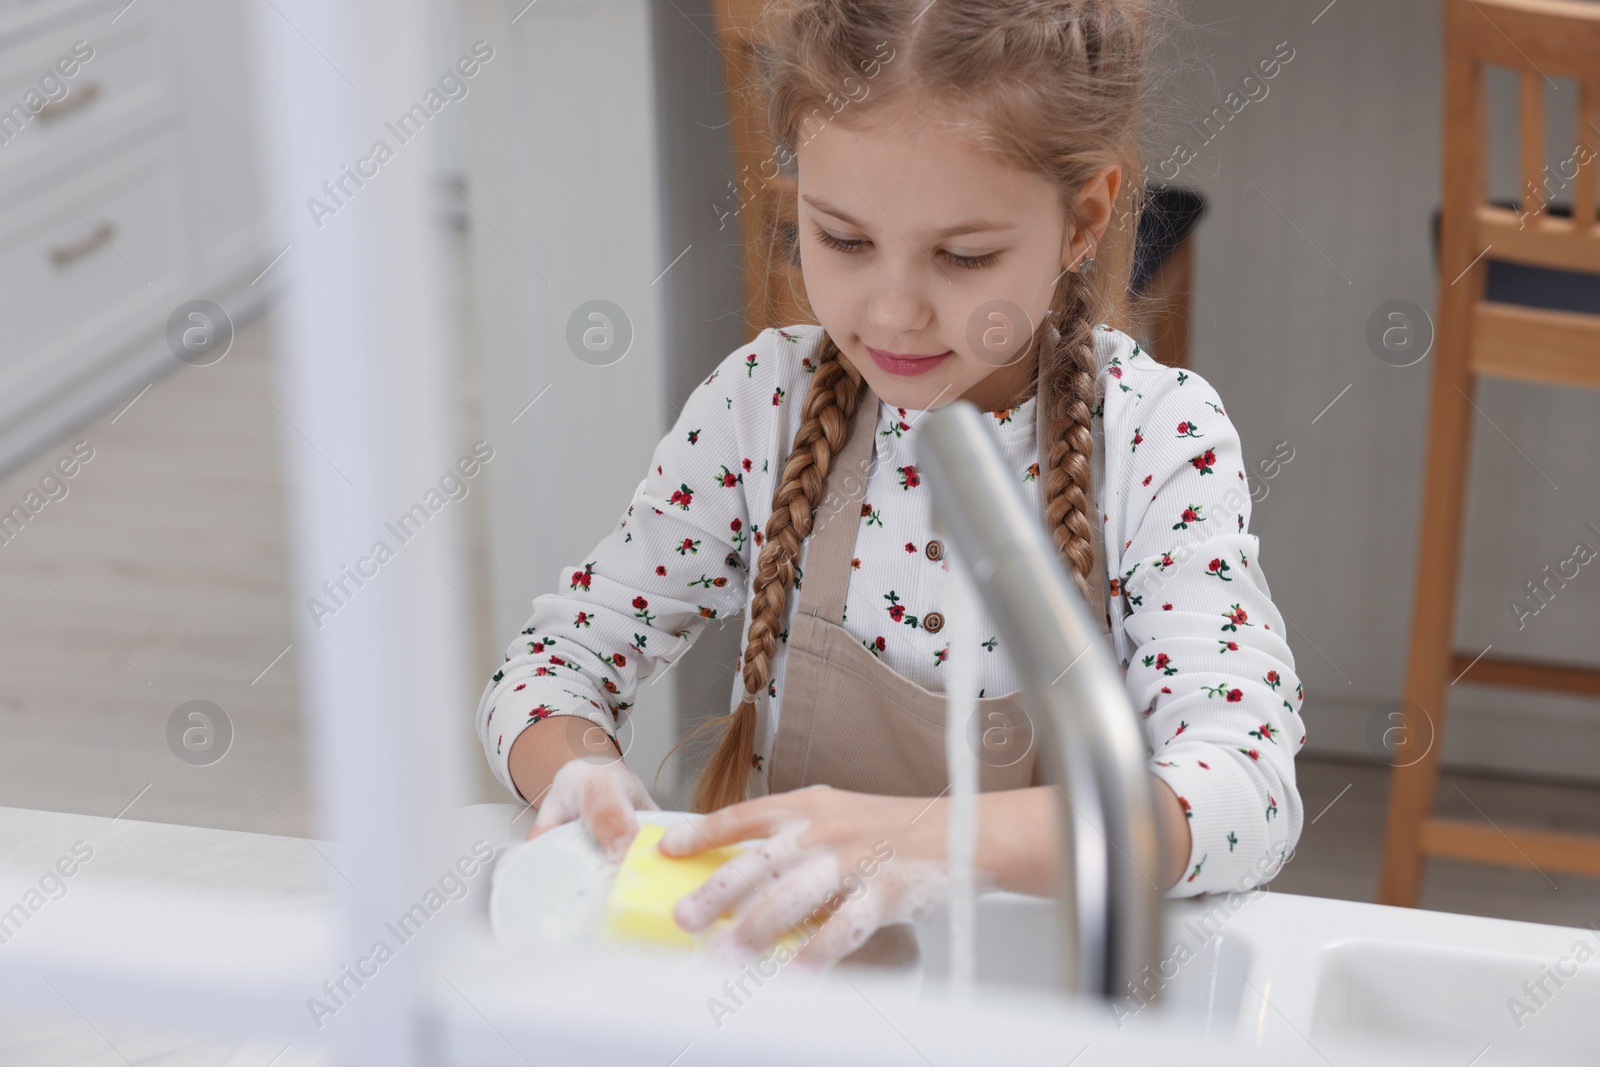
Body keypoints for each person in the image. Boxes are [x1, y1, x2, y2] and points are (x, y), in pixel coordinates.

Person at [477, 0, 1304, 971]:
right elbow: (550, 662)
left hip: (1027, 1005)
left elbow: (1247, 790)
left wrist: (929, 841)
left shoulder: (1159, 441)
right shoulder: (761, 407)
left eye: (963, 256)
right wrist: (575, 770)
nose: (896, 310)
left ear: (1083, 217)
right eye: (842, 239)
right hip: (785, 1002)